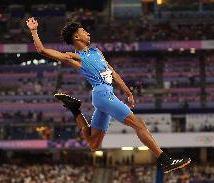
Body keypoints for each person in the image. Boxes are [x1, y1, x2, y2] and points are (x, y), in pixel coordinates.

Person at [26, 17, 191, 173]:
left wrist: (127, 92)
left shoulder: (97, 52)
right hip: (102, 95)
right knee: (139, 124)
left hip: (106, 95)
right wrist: (34, 31)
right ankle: (165, 160)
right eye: (84, 31)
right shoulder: (76, 57)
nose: (88, 33)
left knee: (93, 144)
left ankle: (75, 109)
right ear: (76, 36)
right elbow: (42, 50)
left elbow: (112, 72)